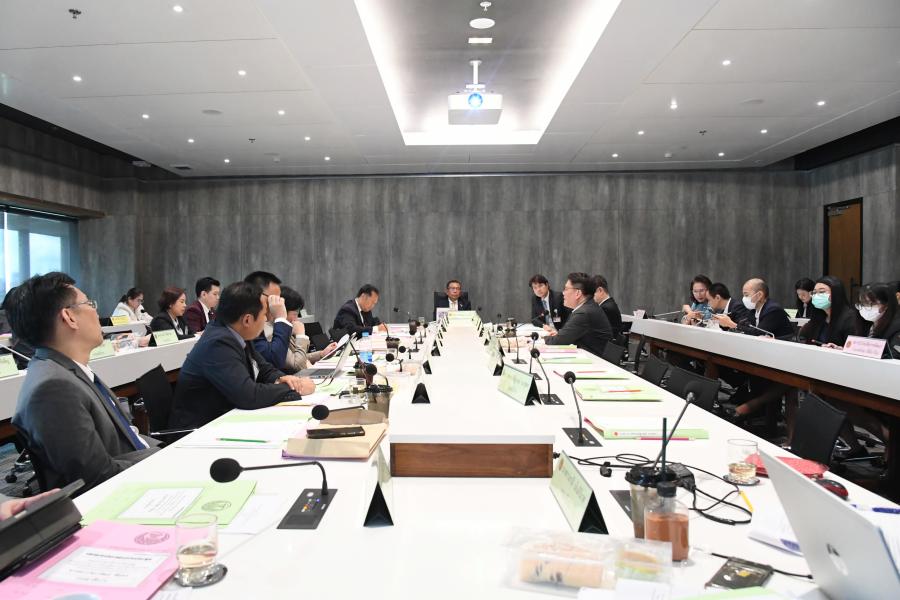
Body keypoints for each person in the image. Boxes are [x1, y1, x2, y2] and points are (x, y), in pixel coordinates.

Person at [7, 272, 158, 492]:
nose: (96, 311)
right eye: (89, 304)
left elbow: (127, 438)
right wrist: (162, 458)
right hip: (126, 491)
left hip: (139, 466)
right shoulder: (53, 388)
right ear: (69, 317)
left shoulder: (68, 369)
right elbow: (96, 477)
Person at [169, 281, 316, 429]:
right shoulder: (218, 343)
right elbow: (249, 395)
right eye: (264, 315)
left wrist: (282, 378)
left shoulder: (236, 333)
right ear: (247, 320)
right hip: (199, 431)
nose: (266, 319)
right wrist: (292, 388)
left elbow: (265, 368)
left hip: (225, 419)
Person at [270, 286, 337, 373]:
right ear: (282, 311)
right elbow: (297, 365)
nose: (296, 319)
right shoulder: (272, 333)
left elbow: (298, 357)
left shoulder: (283, 328)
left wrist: (321, 354)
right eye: (295, 314)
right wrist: (301, 335)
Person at [543, 272, 612, 357]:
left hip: (596, 361)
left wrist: (543, 338)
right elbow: (566, 335)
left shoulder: (584, 313)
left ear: (578, 293)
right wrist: (560, 335)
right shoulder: (588, 307)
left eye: (566, 289)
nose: (563, 293)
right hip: (591, 356)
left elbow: (558, 341)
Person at [242, 271, 293, 368]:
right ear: (256, 295)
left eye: (279, 299)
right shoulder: (246, 322)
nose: (278, 304)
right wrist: (280, 318)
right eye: (273, 299)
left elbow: (266, 368)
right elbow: (275, 360)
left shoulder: (257, 322)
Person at [715, 278, 792, 338]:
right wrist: (724, 323)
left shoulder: (773, 310)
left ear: (759, 295)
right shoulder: (753, 310)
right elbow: (745, 328)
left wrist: (732, 324)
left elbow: (758, 333)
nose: (744, 298)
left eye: (746, 295)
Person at [798, 276, 856, 347]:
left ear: (836, 294)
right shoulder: (819, 316)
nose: (817, 295)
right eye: (814, 292)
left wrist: (839, 348)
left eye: (822, 292)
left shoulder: (850, 318)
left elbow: (854, 348)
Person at [855, 282, 900, 359]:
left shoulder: (897, 326)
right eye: (862, 304)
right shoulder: (867, 323)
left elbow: (894, 356)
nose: (864, 308)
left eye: (870, 304)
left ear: (887, 304)